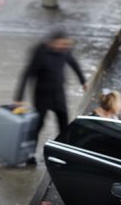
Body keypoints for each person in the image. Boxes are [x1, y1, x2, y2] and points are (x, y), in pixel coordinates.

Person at [15, 30, 87, 164]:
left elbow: (73, 62)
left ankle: (62, 153)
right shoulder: (40, 53)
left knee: (63, 125)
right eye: (62, 44)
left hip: (58, 95)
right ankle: (30, 155)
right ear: (54, 42)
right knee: (38, 125)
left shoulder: (64, 51)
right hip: (42, 96)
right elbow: (27, 74)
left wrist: (83, 81)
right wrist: (19, 96)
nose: (64, 47)